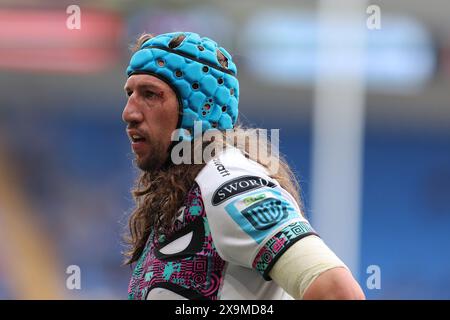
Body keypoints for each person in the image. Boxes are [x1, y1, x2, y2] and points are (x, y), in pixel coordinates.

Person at [122, 31, 365, 300]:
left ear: (198, 109)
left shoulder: (227, 183)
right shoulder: (184, 194)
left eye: (150, 95)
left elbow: (338, 292)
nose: (129, 113)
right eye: (130, 93)